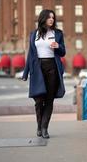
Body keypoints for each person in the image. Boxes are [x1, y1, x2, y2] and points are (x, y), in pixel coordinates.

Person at [22, 9, 66, 138]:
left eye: (53, 18)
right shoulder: (33, 34)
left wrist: (58, 46)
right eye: (49, 17)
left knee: (49, 100)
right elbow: (30, 54)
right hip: (37, 68)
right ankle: (39, 125)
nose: (52, 19)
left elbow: (63, 52)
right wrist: (26, 73)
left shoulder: (58, 33)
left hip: (52, 67)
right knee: (38, 99)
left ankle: (44, 128)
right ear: (43, 19)